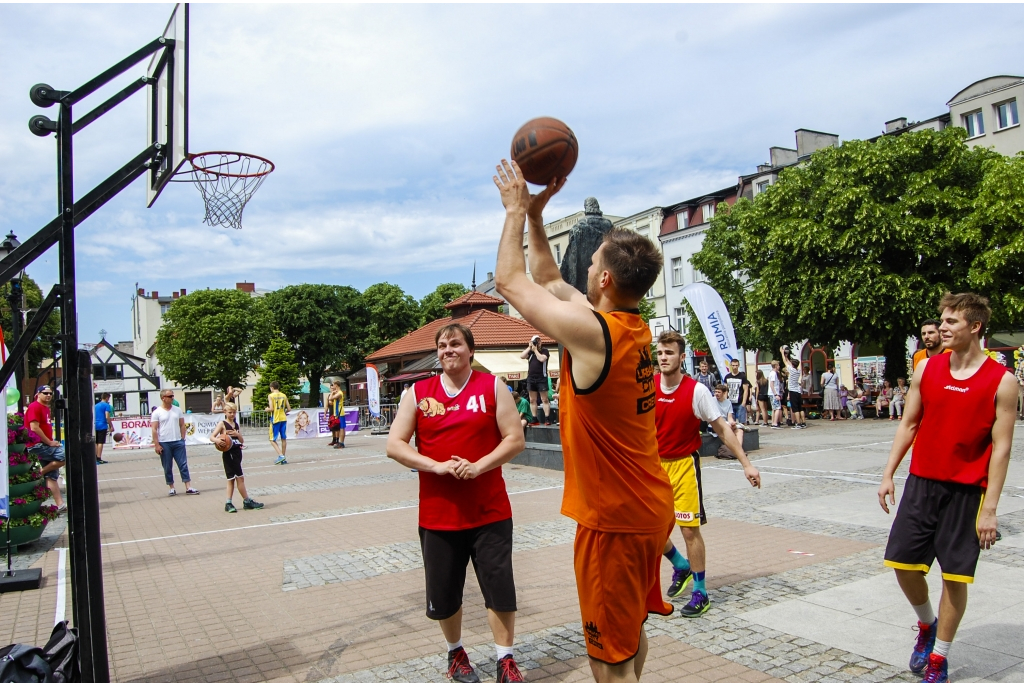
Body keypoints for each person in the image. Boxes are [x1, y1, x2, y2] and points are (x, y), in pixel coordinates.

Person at [494, 159, 673, 682]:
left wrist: (510, 209)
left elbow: (511, 280)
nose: (585, 266)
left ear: (604, 278)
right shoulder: (627, 326)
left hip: (614, 521)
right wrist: (534, 216)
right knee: (631, 631)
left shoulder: (596, 335)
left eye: (592, 259)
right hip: (647, 507)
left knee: (606, 660)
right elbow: (547, 278)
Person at [878, 292, 1016, 683]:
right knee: (902, 565)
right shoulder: (928, 370)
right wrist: (889, 473)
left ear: (975, 327)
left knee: (955, 577)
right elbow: (908, 424)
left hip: (967, 493)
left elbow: (1001, 449)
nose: (941, 327)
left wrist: (989, 509)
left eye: (951, 322)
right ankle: (927, 625)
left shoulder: (1002, 382)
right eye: (941, 320)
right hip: (922, 484)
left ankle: (939, 657)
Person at [387, 323, 526, 683]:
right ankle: (456, 653)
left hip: (490, 511)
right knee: (445, 594)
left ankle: (505, 659)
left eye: (456, 344)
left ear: (470, 351)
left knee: (499, 589)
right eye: (443, 345)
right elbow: (395, 445)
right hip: (439, 514)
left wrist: (479, 466)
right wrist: (435, 465)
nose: (448, 350)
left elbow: (515, 439)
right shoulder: (418, 393)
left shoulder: (492, 387)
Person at [654, 332, 760, 619]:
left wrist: (746, 464)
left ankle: (700, 591)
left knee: (689, 530)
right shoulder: (648, 387)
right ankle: (680, 565)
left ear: (681, 357)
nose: (663, 357)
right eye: (660, 352)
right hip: (654, 467)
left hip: (684, 466)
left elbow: (724, 429)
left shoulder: (696, 391)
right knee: (650, 531)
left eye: (669, 353)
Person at [211, 402, 263, 513]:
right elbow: (212, 436)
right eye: (230, 412)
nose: (232, 414)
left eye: (234, 412)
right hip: (228, 453)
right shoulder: (222, 424)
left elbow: (241, 440)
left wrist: (237, 434)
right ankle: (238, 501)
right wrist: (217, 440)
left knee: (237, 478)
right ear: (225, 412)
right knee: (234, 478)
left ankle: (238, 502)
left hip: (237, 452)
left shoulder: (236, 424)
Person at [25, 386, 66, 514]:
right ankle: (40, 473)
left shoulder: (46, 408)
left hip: (44, 445)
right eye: (45, 393)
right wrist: (49, 442)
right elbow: (34, 428)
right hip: (37, 445)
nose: (48, 395)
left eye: (50, 393)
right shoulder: (34, 406)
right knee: (66, 455)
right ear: (38, 394)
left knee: (52, 476)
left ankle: (60, 505)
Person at [151, 389, 198, 496]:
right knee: (167, 466)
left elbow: (182, 424)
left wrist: (182, 438)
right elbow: (154, 429)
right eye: (170, 396)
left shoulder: (177, 410)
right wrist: (157, 444)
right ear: (163, 398)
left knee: (183, 464)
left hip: (177, 441)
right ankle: (171, 487)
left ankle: (188, 486)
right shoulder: (157, 412)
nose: (172, 398)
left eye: (173, 396)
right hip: (164, 442)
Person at [520, 335, 551, 425]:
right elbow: (522, 356)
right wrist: (529, 347)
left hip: (541, 377)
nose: (537, 343)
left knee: (544, 399)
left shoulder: (544, 351)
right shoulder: (530, 353)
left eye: (539, 341)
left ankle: (547, 418)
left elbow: (542, 359)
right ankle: (534, 418)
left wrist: (535, 350)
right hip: (531, 377)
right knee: (532, 399)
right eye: (535, 341)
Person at [711, 384, 746, 450]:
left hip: (726, 423)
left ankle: (739, 450)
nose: (716, 394)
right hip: (716, 423)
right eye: (715, 392)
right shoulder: (712, 401)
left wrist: (732, 422)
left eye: (719, 392)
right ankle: (735, 451)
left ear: (724, 393)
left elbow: (729, 417)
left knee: (740, 431)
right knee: (729, 427)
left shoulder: (728, 402)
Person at [781, 348, 806, 429]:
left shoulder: (791, 370)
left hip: (793, 391)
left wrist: (782, 353)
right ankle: (803, 422)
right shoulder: (798, 370)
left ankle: (798, 423)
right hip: (798, 391)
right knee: (800, 408)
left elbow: (785, 362)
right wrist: (787, 356)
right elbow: (788, 362)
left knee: (795, 409)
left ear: (792, 365)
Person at [267, 381, 291, 465]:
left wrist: (267, 409)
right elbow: (289, 408)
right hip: (283, 418)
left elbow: (271, 408)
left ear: (272, 388)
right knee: (283, 438)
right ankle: (283, 458)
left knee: (272, 439)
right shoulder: (283, 395)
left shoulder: (271, 396)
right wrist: (284, 412)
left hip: (275, 419)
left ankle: (281, 455)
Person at [722, 359, 750, 426]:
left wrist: (744, 402)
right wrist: (725, 401)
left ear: (738, 366)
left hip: (740, 402)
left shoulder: (742, 376)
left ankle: (743, 435)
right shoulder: (727, 376)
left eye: (736, 365)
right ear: (731, 365)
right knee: (731, 422)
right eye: (733, 365)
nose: (735, 367)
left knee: (742, 422)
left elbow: (746, 390)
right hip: (730, 402)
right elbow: (725, 389)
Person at [94, 392, 113, 465]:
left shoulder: (96, 405)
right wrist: (111, 425)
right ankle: (99, 458)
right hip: (102, 425)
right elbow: (107, 416)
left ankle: (95, 457)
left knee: (96, 442)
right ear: (107, 398)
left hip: (95, 424)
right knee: (100, 442)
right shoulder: (106, 405)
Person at [328, 380, 346, 449]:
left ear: (336, 385)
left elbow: (331, 398)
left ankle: (341, 443)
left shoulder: (339, 393)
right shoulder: (337, 393)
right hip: (337, 413)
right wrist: (333, 393)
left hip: (340, 412)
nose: (333, 386)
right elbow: (330, 400)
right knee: (340, 428)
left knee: (342, 428)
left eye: (333, 385)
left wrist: (332, 393)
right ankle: (340, 442)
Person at [768, 360, 784, 429]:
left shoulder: (772, 373)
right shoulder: (774, 373)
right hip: (774, 393)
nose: (779, 366)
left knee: (774, 408)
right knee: (778, 408)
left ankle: (773, 422)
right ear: (775, 366)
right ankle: (775, 423)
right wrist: (776, 394)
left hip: (772, 393)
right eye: (778, 365)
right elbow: (772, 385)